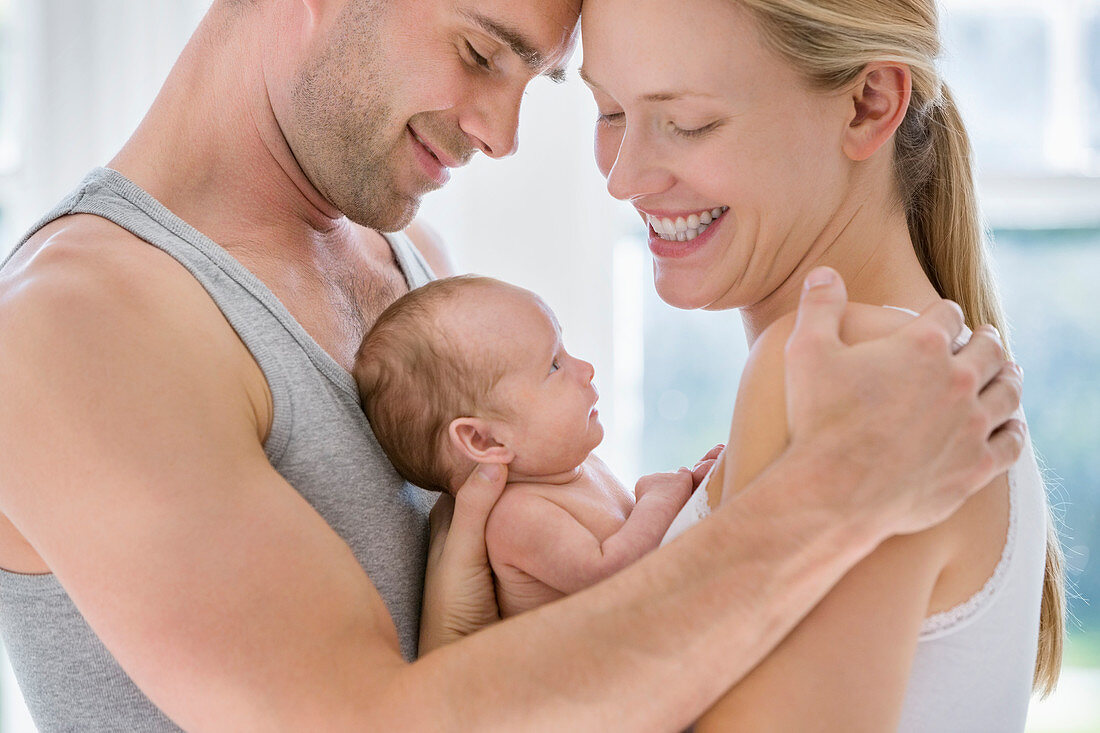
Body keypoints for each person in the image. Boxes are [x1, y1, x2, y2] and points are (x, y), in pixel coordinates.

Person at [0, 0, 1026, 729]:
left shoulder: (409, 273)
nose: (500, 132)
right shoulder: (70, 332)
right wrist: (831, 496)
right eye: (479, 51)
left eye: (537, 80)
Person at [578, 0, 1064, 729]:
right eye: (609, 111)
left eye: (687, 122)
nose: (623, 177)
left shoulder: (848, 376)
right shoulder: (907, 373)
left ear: (869, 105)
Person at [356, 274, 715, 617]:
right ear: (484, 440)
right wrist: (662, 494)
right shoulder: (517, 516)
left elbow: (641, 537)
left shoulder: (576, 464)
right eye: (554, 366)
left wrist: (696, 490)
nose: (586, 368)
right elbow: (611, 571)